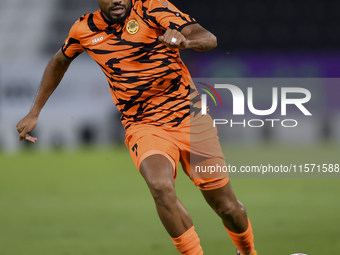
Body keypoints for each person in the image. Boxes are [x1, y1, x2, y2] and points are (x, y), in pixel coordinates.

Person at [16, 0, 257, 254]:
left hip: (190, 117)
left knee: (226, 207)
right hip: (143, 124)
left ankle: (248, 252)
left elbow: (207, 38)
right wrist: (35, 111)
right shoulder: (83, 29)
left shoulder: (153, 8)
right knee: (160, 186)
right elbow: (59, 61)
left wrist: (186, 42)